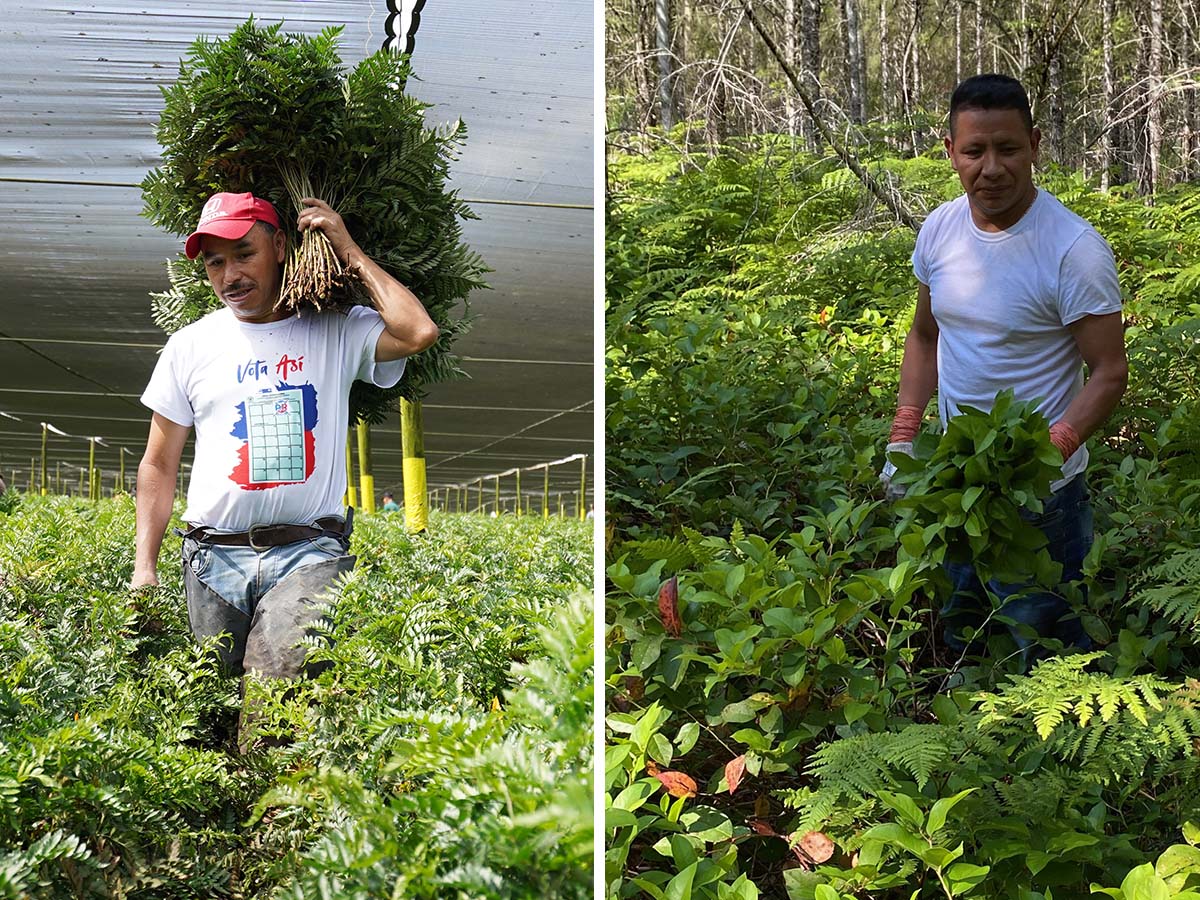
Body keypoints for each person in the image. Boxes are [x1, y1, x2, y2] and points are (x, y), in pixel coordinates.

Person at [131, 191, 438, 740]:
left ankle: (280, 819)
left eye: (244, 253)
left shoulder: (336, 329)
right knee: (207, 716)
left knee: (278, 702)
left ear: (280, 246)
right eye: (215, 262)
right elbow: (158, 463)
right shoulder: (190, 345)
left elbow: (418, 332)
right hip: (212, 559)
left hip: (309, 551)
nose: (230, 275)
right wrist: (144, 564)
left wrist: (348, 249)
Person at [880, 74, 1127, 668]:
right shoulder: (939, 229)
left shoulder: (1073, 249)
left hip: (1043, 496)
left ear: (1036, 145)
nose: (991, 168)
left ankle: (1057, 752)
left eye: (1008, 149)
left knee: (1045, 643)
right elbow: (924, 333)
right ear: (950, 152)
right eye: (974, 151)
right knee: (964, 629)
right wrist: (904, 436)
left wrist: (1053, 450)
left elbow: (1109, 371)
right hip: (954, 483)